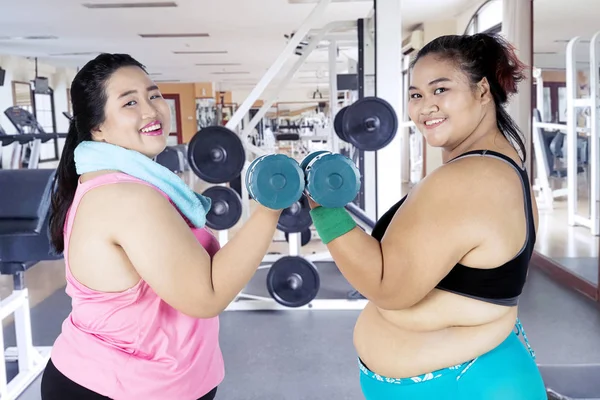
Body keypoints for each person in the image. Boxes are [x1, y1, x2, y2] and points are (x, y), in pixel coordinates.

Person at [308, 33, 547, 399]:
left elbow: (388, 285)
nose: (425, 107)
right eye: (416, 95)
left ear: (482, 91)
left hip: (467, 386)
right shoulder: (492, 168)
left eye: (440, 90)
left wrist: (321, 208)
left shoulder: (473, 178)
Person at [41, 53, 283, 400]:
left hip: (152, 382)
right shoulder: (126, 198)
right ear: (96, 126)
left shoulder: (123, 184)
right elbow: (206, 295)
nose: (150, 110)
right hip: (114, 389)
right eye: (130, 102)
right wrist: (269, 209)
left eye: (153, 95)